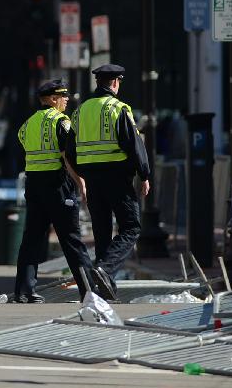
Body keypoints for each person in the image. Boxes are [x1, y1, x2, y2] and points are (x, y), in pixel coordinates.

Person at [13, 79, 105, 303]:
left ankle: (24, 291)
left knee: (32, 238)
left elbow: (25, 147)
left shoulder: (27, 125)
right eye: (63, 97)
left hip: (33, 184)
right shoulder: (61, 122)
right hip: (57, 185)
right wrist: (80, 181)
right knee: (71, 238)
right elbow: (67, 157)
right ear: (53, 99)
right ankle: (89, 291)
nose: (66, 101)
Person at [70, 64, 151, 299]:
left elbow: (70, 150)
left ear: (98, 82)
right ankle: (105, 270)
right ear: (115, 82)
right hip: (117, 177)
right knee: (131, 227)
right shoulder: (118, 108)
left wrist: (82, 173)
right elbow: (134, 145)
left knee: (102, 231)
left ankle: (103, 289)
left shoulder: (81, 110)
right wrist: (143, 174)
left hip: (93, 179)